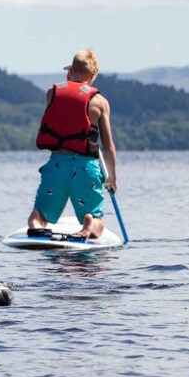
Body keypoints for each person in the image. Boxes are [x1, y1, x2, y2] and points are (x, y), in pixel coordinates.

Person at [26, 49, 117, 239]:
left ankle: (36, 220)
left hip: (57, 165)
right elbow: (108, 147)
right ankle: (89, 223)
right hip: (85, 169)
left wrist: (70, 78)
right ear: (94, 74)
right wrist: (112, 179)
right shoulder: (100, 102)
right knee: (96, 217)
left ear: (71, 70)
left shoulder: (52, 94)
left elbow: (69, 99)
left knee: (42, 214)